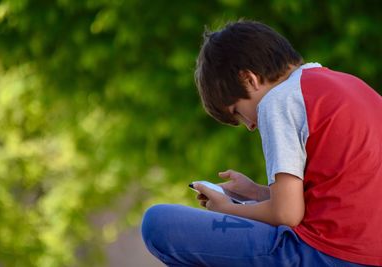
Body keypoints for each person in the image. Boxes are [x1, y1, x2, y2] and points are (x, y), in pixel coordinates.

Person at [141, 20, 382, 266]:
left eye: (238, 112)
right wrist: (256, 193)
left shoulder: (279, 100)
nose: (250, 125)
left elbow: (286, 214)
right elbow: (329, 200)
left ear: (249, 79)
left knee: (159, 223)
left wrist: (227, 208)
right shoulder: (351, 85)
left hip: (328, 255)